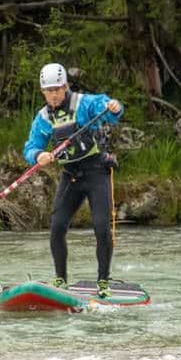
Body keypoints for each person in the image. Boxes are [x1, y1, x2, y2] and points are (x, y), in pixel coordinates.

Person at [22, 63, 124, 297]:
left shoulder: (83, 103)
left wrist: (115, 107)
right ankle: (60, 280)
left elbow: (108, 109)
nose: (54, 95)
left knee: (101, 227)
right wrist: (38, 155)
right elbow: (31, 147)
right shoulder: (43, 118)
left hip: (97, 172)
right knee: (57, 226)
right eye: (49, 91)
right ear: (43, 92)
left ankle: (103, 282)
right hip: (71, 176)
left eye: (57, 89)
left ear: (65, 86)